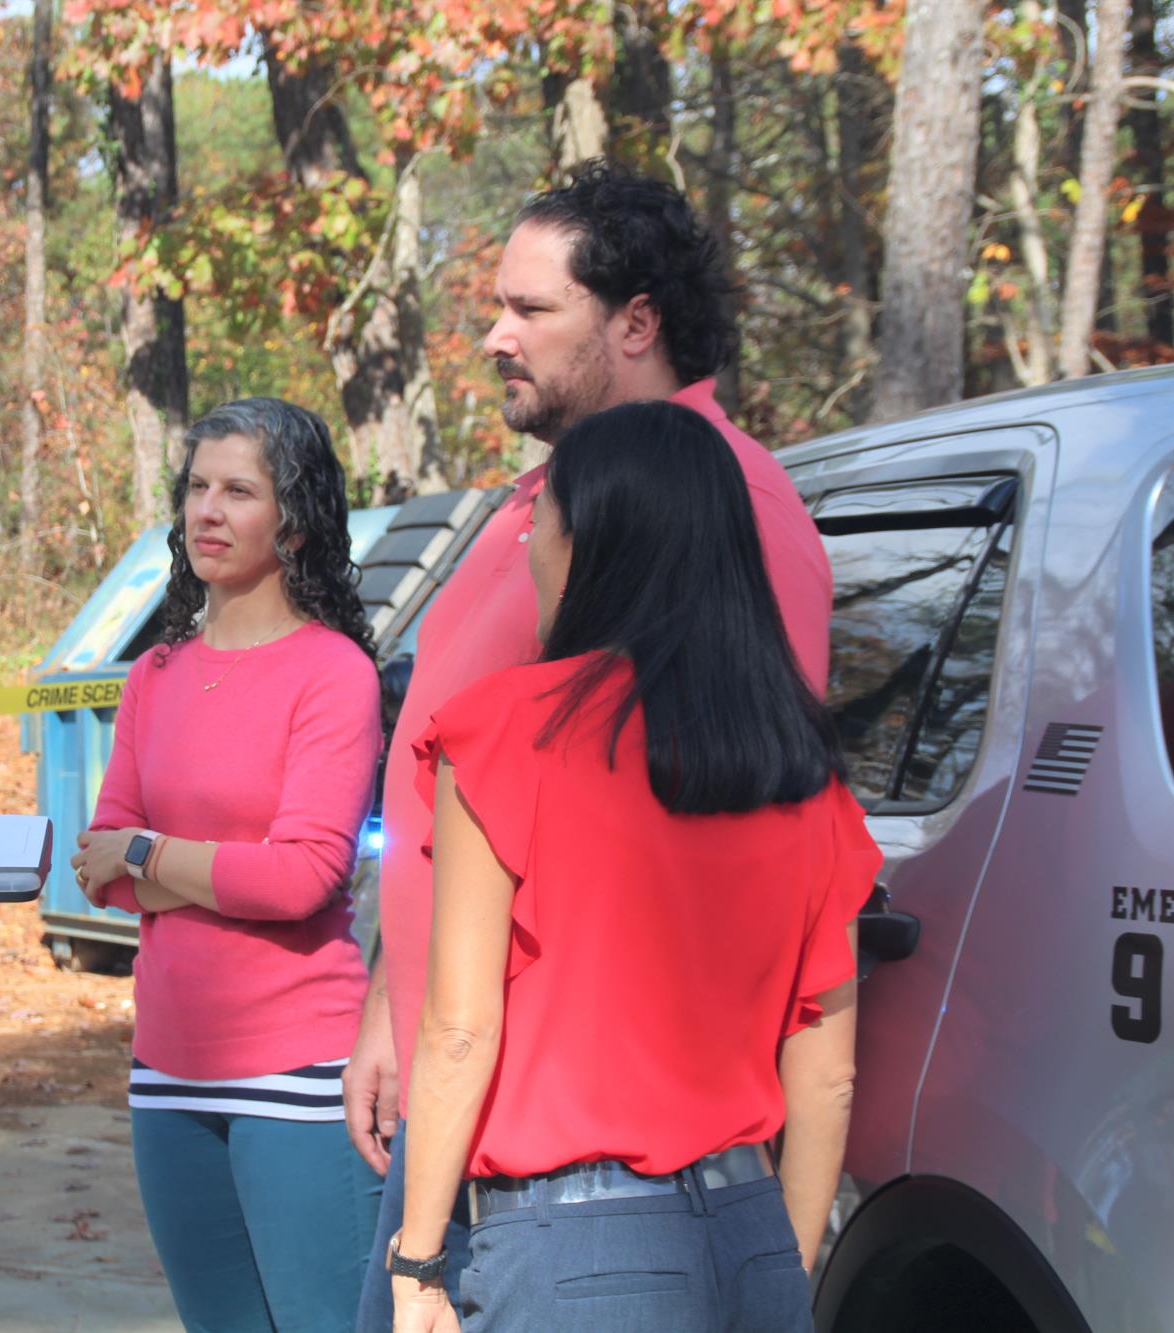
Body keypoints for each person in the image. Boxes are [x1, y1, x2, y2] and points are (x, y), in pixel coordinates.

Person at [350, 161, 835, 1329]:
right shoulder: (540, 498)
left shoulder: (732, 514)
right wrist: (386, 1000)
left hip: (564, 1163)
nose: (491, 335)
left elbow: (720, 832)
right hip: (464, 1102)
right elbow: (450, 816)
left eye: (528, 309)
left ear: (633, 323)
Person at [390, 400, 877, 1332]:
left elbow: (459, 1028)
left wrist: (416, 1261)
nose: (532, 546)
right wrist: (784, 1264)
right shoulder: (803, 769)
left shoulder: (508, 735)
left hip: (574, 1249)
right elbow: (827, 1076)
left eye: (543, 522)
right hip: (750, 1232)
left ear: (588, 542)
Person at [69, 398, 384, 1331]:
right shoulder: (153, 676)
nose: (207, 510)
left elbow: (303, 879)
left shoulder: (333, 674)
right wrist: (173, 862)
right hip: (166, 1072)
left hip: (299, 1071)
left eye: (238, 490)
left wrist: (151, 855)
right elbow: (98, 866)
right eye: (197, 486)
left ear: (294, 519)